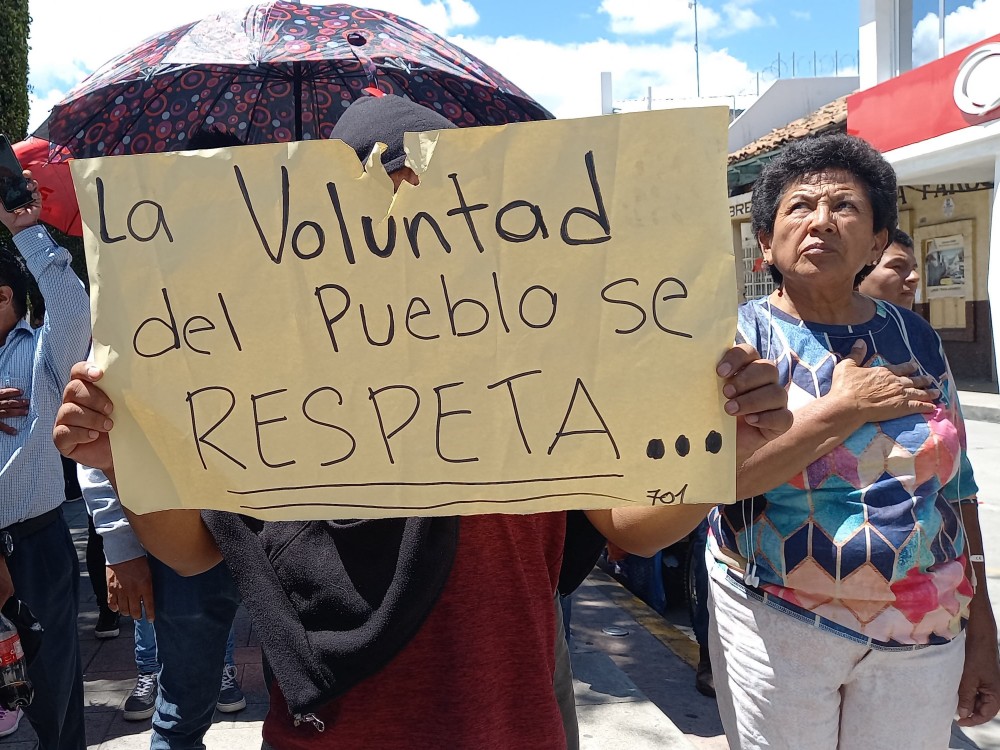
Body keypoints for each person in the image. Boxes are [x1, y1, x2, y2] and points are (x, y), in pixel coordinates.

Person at [53, 94, 791, 749]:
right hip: (333, 729)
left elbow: (630, 524)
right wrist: (124, 460)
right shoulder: (264, 369)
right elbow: (190, 553)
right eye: (375, 197)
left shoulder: (540, 348)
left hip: (510, 719)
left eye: (434, 197)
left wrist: (718, 455)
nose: (404, 225)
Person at [706, 133, 1000, 749]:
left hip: (925, 626)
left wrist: (982, 623)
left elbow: (959, 483)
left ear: (874, 242)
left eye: (845, 207)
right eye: (800, 206)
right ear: (765, 243)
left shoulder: (915, 336)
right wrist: (842, 410)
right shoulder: (735, 342)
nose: (821, 221)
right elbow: (716, 482)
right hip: (778, 620)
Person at [0, 171, 91, 746]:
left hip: (34, 546)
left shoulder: (37, 354)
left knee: (51, 693)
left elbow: (75, 320)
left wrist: (27, 232)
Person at [858, 228, 920, 309]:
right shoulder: (838, 320)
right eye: (897, 266)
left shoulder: (915, 321)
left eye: (913, 269)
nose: (915, 277)